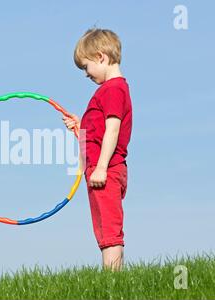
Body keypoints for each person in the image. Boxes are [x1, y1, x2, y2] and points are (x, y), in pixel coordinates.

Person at [63, 28, 133, 271]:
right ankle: (111, 281)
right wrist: (81, 127)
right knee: (104, 232)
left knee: (110, 233)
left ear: (101, 57)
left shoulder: (113, 89)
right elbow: (100, 131)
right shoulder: (108, 91)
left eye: (86, 67)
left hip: (106, 171)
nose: (86, 74)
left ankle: (113, 283)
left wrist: (101, 167)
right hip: (99, 171)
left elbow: (112, 130)